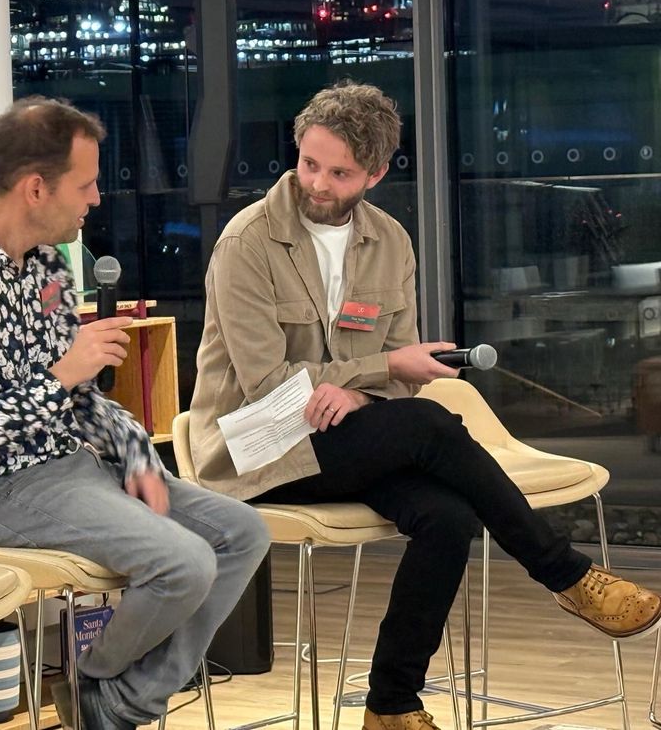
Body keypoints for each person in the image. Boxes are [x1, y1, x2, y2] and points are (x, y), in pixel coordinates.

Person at [189, 81, 661, 730]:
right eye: (308, 163)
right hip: (258, 446)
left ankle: (391, 705)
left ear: (376, 174)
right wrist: (378, 369)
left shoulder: (390, 243)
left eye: (340, 172)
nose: (317, 184)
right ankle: (564, 574)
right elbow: (273, 383)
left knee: (448, 516)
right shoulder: (247, 243)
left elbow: (396, 377)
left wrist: (362, 385)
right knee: (432, 422)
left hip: (351, 437)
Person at [0, 96, 269, 730]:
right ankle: (103, 692)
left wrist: (138, 457)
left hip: (74, 468)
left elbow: (83, 400)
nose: (96, 198)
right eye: (86, 184)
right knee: (186, 562)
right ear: (36, 188)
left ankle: (114, 700)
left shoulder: (46, 267)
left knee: (241, 534)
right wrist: (59, 375)